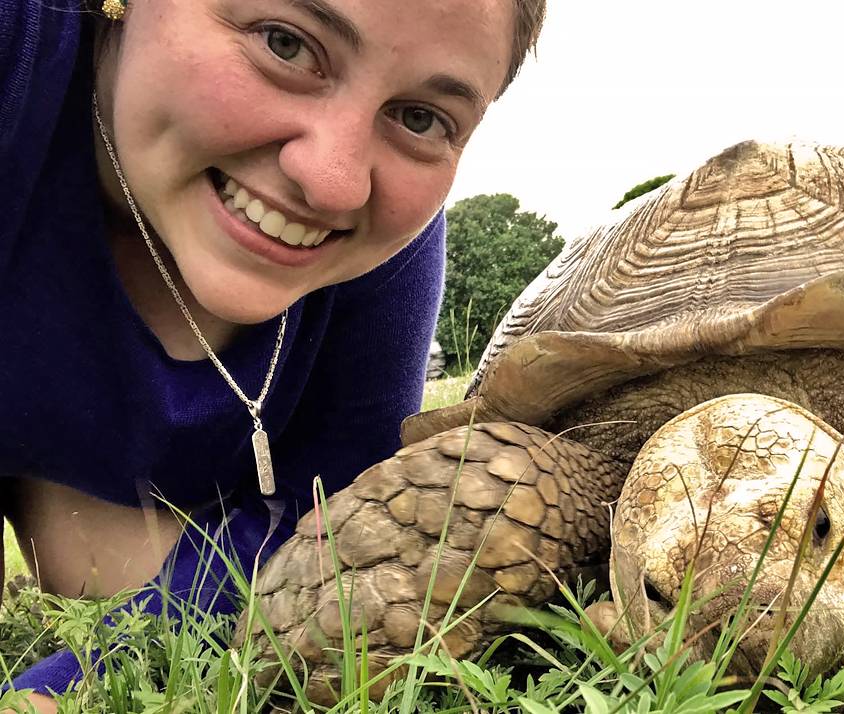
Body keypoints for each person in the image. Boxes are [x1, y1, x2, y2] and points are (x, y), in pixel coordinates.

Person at [0, 0, 544, 709]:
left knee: (182, 586)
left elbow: (322, 515)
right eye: (285, 44)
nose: (334, 181)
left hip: (101, 503)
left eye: (420, 118)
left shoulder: (385, 254)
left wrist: (65, 687)